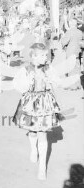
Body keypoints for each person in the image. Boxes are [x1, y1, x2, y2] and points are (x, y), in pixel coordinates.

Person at [12, 42, 80, 180]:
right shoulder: (25, 69)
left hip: (45, 103)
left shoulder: (49, 68)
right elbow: (17, 84)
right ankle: (33, 149)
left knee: (42, 133)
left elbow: (57, 81)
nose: (46, 58)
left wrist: (51, 80)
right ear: (34, 57)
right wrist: (27, 82)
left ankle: (42, 167)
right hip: (30, 103)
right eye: (43, 56)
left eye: (46, 55)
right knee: (32, 130)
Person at [61, 18, 83, 90]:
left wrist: (62, 41)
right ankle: (78, 85)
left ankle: (72, 86)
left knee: (70, 68)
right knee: (77, 68)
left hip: (70, 51)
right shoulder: (80, 32)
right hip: (78, 51)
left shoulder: (69, 31)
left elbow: (64, 42)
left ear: (71, 23)